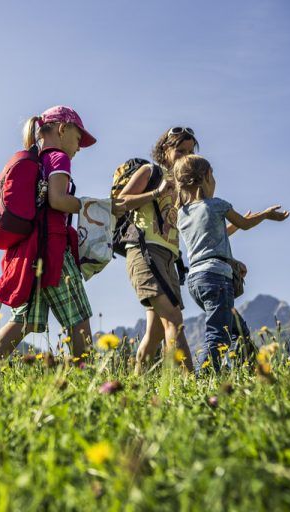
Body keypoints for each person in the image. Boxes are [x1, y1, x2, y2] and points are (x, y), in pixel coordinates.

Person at [0, 105, 96, 367]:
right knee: (78, 319)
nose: (78, 147)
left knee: (25, 320)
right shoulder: (58, 158)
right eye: (78, 138)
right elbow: (57, 200)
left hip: (29, 251)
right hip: (53, 248)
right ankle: (87, 377)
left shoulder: (37, 159)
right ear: (62, 129)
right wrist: (88, 204)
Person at [175, 154, 289, 372]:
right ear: (207, 176)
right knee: (219, 335)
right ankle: (203, 380)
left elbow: (209, 237)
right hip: (217, 277)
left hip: (196, 281)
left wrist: (233, 227)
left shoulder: (183, 213)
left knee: (238, 329)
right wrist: (265, 215)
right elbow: (245, 224)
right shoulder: (217, 205)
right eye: (213, 176)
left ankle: (255, 372)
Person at [118, 127, 198, 373]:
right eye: (180, 150)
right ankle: (193, 385)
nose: (185, 156)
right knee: (175, 321)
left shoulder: (183, 187)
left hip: (169, 259)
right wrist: (157, 191)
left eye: (190, 152)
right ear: (165, 150)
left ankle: (136, 384)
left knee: (156, 334)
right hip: (144, 251)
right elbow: (119, 202)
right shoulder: (150, 171)